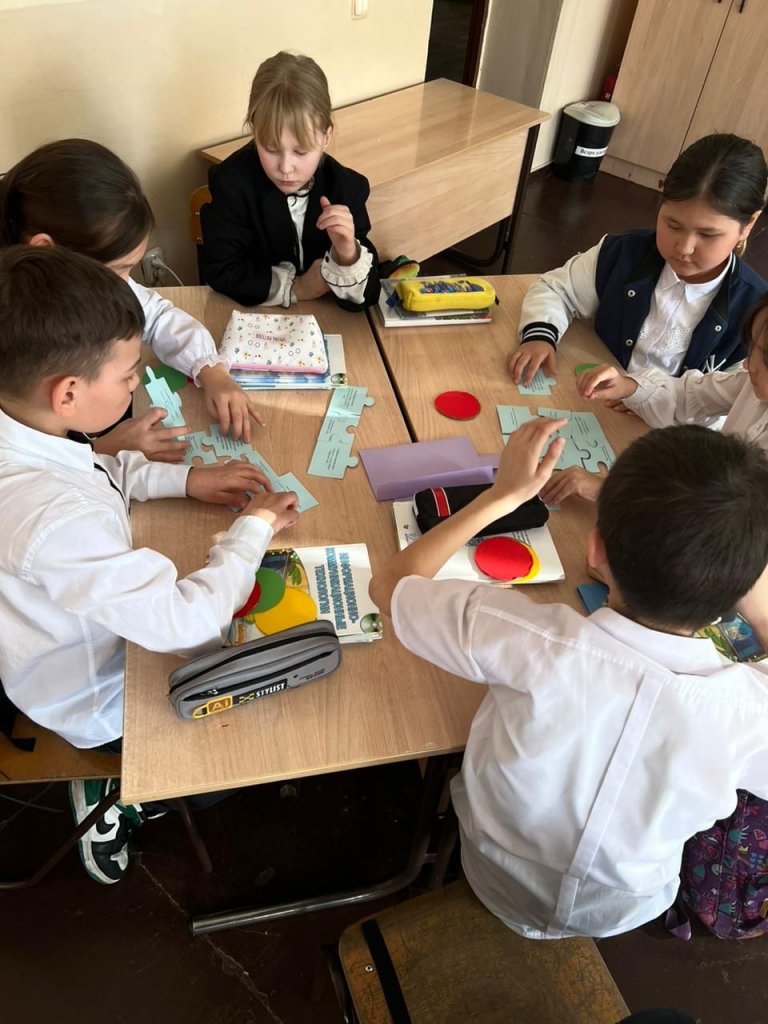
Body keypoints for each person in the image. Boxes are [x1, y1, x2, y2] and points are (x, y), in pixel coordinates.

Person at [369, 416, 768, 939]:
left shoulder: (526, 636)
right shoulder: (748, 709)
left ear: (594, 549)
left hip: (490, 871)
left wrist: (502, 496)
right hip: (622, 911)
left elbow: (390, 586)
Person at [0, 245, 299, 882]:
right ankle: (118, 789)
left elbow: (90, 470)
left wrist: (184, 479)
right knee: (247, 753)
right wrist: (252, 529)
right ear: (69, 393)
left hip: (72, 638)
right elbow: (185, 623)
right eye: (129, 375)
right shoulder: (53, 518)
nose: (136, 385)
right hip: (98, 697)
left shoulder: (26, 428)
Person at [0, 138, 265, 460]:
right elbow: (22, 463)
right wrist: (101, 451)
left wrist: (211, 370)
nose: (126, 284)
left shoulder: (59, 279)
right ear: (47, 249)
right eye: (117, 270)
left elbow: (157, 316)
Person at [508, 133, 767, 387]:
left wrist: (642, 396)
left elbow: (737, 394)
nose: (684, 248)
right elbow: (557, 289)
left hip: (674, 415)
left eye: (707, 234)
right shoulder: (623, 252)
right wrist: (540, 335)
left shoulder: (756, 309)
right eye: (673, 225)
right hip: (593, 395)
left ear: (748, 224)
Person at [540, 291, 768, 505]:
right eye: (751, 348)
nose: (748, 365)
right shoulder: (747, 383)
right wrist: (627, 386)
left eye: (765, 359)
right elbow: (688, 395)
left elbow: (717, 515)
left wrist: (609, 492)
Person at [199, 51, 380, 311]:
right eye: (271, 148)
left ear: (326, 137)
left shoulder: (347, 188)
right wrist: (298, 288)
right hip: (254, 317)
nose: (285, 168)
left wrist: (348, 254)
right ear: (254, 131)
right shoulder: (231, 184)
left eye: (301, 151)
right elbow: (222, 271)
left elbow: (368, 297)